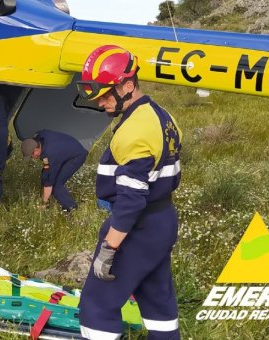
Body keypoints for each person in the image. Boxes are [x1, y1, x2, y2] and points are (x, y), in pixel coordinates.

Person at [75, 45, 183, 339]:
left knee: (97, 306)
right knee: (158, 302)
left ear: (128, 85)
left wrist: (109, 249)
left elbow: (131, 202)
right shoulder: (162, 116)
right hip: (162, 220)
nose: (101, 104)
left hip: (137, 227)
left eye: (106, 95)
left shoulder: (135, 131)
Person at [20, 130, 88, 211]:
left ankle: (71, 209)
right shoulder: (39, 137)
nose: (32, 158)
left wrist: (43, 204)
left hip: (76, 156)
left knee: (56, 184)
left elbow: (48, 183)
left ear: (36, 150)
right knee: (46, 176)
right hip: (66, 150)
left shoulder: (50, 155)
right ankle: (47, 199)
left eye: (31, 156)